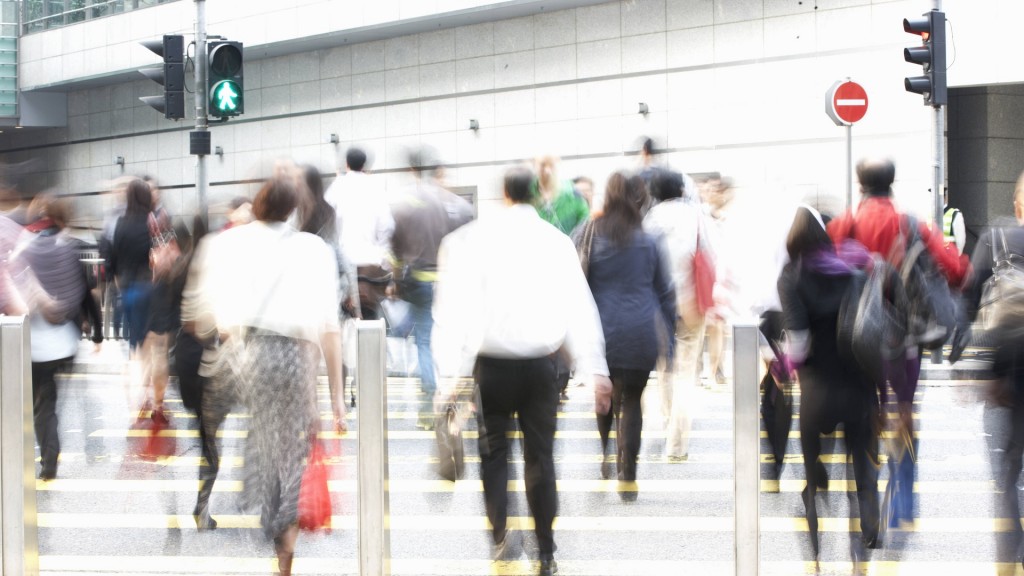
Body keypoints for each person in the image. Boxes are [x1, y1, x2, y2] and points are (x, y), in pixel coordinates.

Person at [433, 166, 609, 576]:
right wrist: (594, 369)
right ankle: (545, 551)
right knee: (541, 458)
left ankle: (500, 537)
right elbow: (580, 308)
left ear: (505, 195)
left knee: (494, 456)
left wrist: (449, 378)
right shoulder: (556, 242)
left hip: (489, 368)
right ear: (536, 196)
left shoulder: (471, 240)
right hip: (539, 368)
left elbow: (452, 314)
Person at [188, 165, 346, 574]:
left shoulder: (229, 242)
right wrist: (334, 401)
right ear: (294, 208)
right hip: (294, 357)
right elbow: (329, 329)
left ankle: (254, 502)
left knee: (256, 437)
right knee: (291, 445)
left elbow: (209, 313)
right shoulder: (313, 248)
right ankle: (284, 538)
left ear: (256, 205)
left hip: (244, 354)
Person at [826, 158, 969, 528]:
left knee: (867, 408)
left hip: (857, 335)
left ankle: (868, 491)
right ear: (891, 183)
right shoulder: (910, 223)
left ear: (860, 184)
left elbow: (819, 266)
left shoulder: (846, 224)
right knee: (902, 407)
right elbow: (955, 269)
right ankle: (903, 494)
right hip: (903, 334)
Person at [779, 205, 881, 565]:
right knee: (861, 472)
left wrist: (782, 364)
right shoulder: (854, 274)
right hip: (858, 388)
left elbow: (799, 343)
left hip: (817, 392)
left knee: (811, 472)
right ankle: (864, 535)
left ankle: (817, 551)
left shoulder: (791, 276)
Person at [580, 172, 675, 492]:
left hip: (602, 331)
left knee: (604, 393)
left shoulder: (593, 234)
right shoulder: (649, 241)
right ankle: (628, 471)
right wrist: (670, 343)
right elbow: (665, 293)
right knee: (632, 400)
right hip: (640, 331)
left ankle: (606, 451)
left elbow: (582, 287)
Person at [965, 170, 1024, 569]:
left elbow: (969, 299)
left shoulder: (995, 238)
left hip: (1005, 378)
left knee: (1007, 472)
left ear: (1018, 203)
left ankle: (1009, 556)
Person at [389, 149, 473, 428]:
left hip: (421, 281)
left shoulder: (405, 204)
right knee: (457, 340)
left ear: (413, 171)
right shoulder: (457, 205)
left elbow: (396, 249)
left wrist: (395, 278)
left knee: (425, 342)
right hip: (453, 281)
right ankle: (460, 399)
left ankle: (429, 408)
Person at [9, 196, 88, 480]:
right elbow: (81, 293)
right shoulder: (67, 248)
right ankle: (49, 458)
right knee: (47, 403)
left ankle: (42, 458)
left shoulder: (25, 250)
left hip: (33, 343)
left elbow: (14, 294)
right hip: (63, 341)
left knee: (37, 404)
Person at [643, 170, 707, 462]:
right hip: (691, 301)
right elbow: (707, 251)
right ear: (681, 189)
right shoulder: (695, 215)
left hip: (658, 303)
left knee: (665, 369)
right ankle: (677, 445)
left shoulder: (650, 219)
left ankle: (669, 422)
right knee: (686, 372)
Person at [325, 146, 393, 320]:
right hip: (369, 265)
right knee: (370, 320)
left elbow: (327, 222)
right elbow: (387, 226)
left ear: (347, 163)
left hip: (343, 262)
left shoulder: (337, 187)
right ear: (364, 165)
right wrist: (383, 258)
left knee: (343, 318)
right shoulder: (376, 187)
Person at [943, 187, 966, 255]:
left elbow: (960, 241)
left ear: (944, 197)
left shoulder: (954, 214)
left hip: (948, 257)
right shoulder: (929, 215)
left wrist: (955, 258)